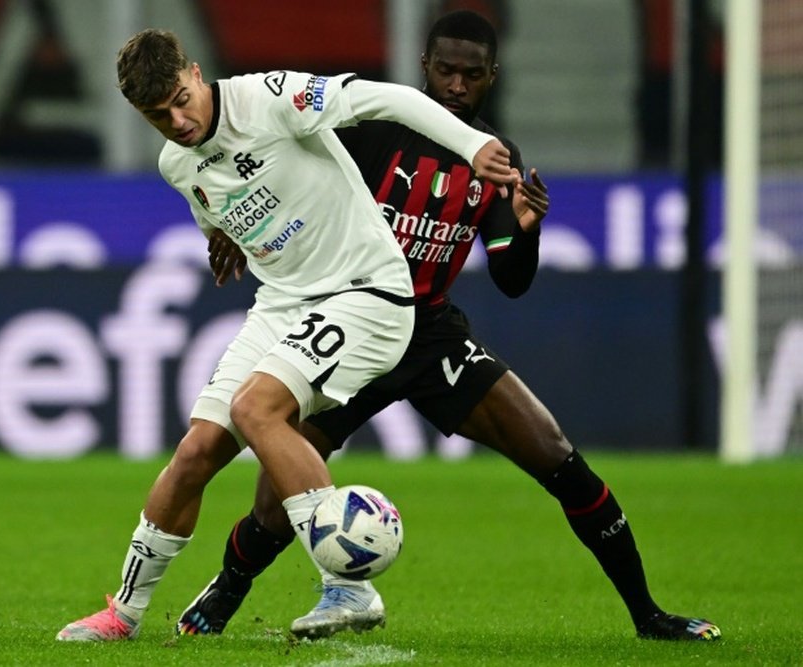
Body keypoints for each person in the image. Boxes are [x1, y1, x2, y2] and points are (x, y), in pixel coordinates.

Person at [176, 11, 721, 642]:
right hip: (350, 319)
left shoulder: (493, 157)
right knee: (274, 505)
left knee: (556, 456)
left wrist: (523, 230)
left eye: (471, 74)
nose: (457, 85)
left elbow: (511, 278)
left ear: (492, 76)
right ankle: (222, 594)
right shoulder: (374, 132)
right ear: (424, 69)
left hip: (430, 332)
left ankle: (648, 615)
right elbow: (278, 174)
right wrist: (234, 228)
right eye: (445, 70)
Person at [56, 28, 516, 642]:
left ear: (195, 73)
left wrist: (473, 141)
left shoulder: (272, 98)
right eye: (156, 115)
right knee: (195, 453)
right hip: (283, 303)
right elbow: (215, 203)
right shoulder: (176, 163)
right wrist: (222, 236)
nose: (177, 121)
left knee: (257, 410)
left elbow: (390, 100)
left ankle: (349, 586)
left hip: (367, 291)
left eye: (179, 100)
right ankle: (124, 613)